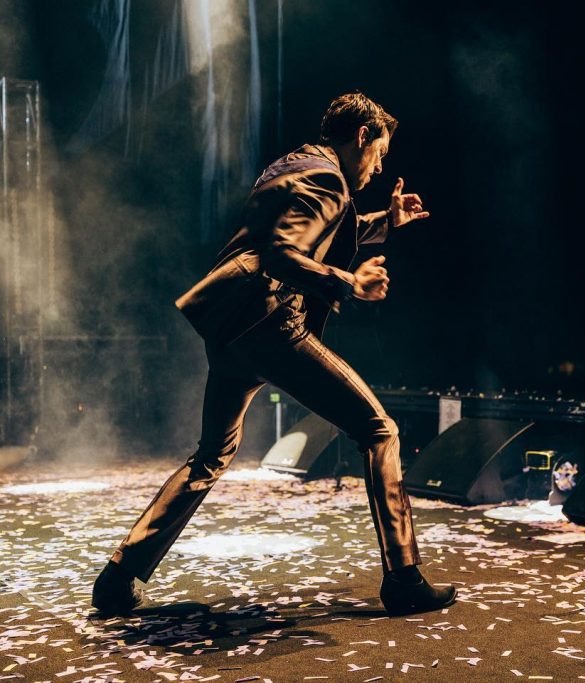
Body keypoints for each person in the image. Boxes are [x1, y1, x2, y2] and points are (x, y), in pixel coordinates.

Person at [91, 92, 456, 617]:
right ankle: (404, 578)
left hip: (231, 329)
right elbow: (283, 253)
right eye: (380, 153)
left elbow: (323, 226)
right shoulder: (329, 179)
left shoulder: (295, 165)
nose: (379, 168)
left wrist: (388, 221)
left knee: (211, 456)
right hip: (271, 325)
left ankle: (117, 578)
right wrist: (349, 282)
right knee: (380, 430)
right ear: (361, 136)